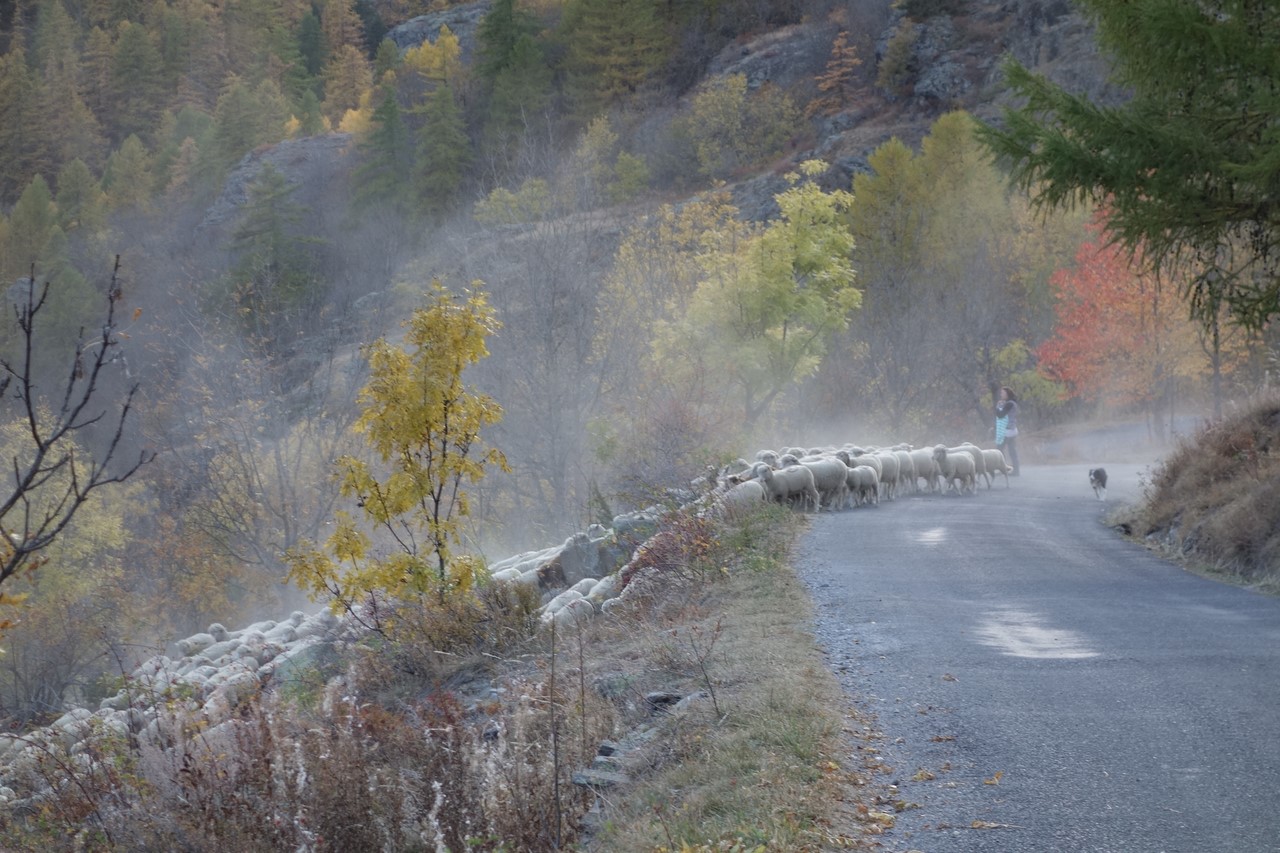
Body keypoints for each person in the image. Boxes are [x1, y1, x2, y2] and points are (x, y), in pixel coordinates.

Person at [995, 386, 1020, 476]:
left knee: (999, 450)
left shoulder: (1009, 404)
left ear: (1007, 394)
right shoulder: (1011, 403)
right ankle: (1016, 470)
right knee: (1011, 450)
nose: (1001, 394)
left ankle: (1003, 469)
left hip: (1007, 431)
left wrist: (998, 406)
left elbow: (1000, 415)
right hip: (1011, 430)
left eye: (1002, 393)